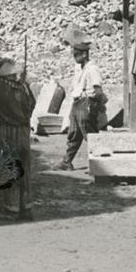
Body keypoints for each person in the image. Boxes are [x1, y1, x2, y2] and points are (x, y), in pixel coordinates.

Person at [0, 60, 35, 222]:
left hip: (8, 131)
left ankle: (11, 209)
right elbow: (33, 105)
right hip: (24, 131)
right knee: (25, 170)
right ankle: (26, 207)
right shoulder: (25, 88)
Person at [54, 28, 107, 171]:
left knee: (89, 134)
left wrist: (98, 107)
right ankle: (67, 161)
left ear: (84, 54)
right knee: (74, 133)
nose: (74, 57)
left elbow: (97, 89)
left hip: (86, 103)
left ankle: (100, 164)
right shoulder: (80, 68)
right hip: (77, 103)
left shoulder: (92, 69)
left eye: (77, 55)